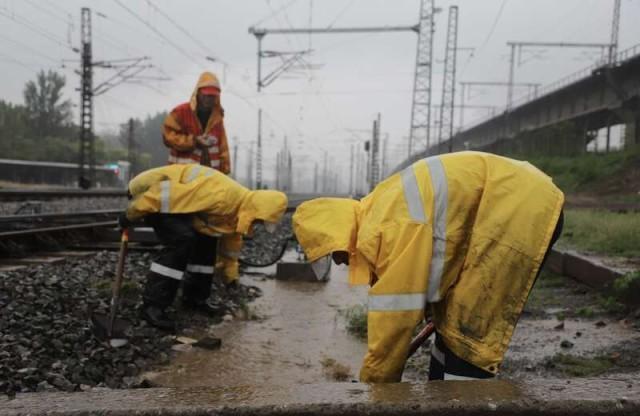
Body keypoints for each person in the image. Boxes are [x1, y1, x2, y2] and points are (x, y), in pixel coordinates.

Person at [293, 151, 564, 382]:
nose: (339, 261)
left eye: (333, 253)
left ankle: (463, 403)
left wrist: (376, 386)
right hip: (507, 203)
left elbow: (394, 321)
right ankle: (442, 395)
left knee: (467, 337)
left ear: (339, 237)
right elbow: (431, 264)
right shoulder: (376, 214)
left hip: (517, 208)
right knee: (446, 326)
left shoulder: (386, 230)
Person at [118, 164, 287, 330]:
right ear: (256, 210)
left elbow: (230, 248)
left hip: (173, 201)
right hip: (148, 189)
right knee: (182, 240)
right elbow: (163, 196)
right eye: (258, 220)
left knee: (208, 240)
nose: (257, 224)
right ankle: (152, 306)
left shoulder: (239, 210)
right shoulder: (221, 196)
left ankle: (195, 299)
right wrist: (131, 213)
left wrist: (231, 278)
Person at [163, 71, 241, 287]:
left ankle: (199, 290)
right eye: (206, 95)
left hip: (208, 185)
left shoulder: (217, 119)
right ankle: (185, 283)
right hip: (183, 183)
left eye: (213, 96)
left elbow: (223, 146)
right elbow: (168, 136)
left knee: (207, 235)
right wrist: (195, 141)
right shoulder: (180, 112)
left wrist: (225, 175)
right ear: (198, 93)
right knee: (186, 233)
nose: (210, 99)